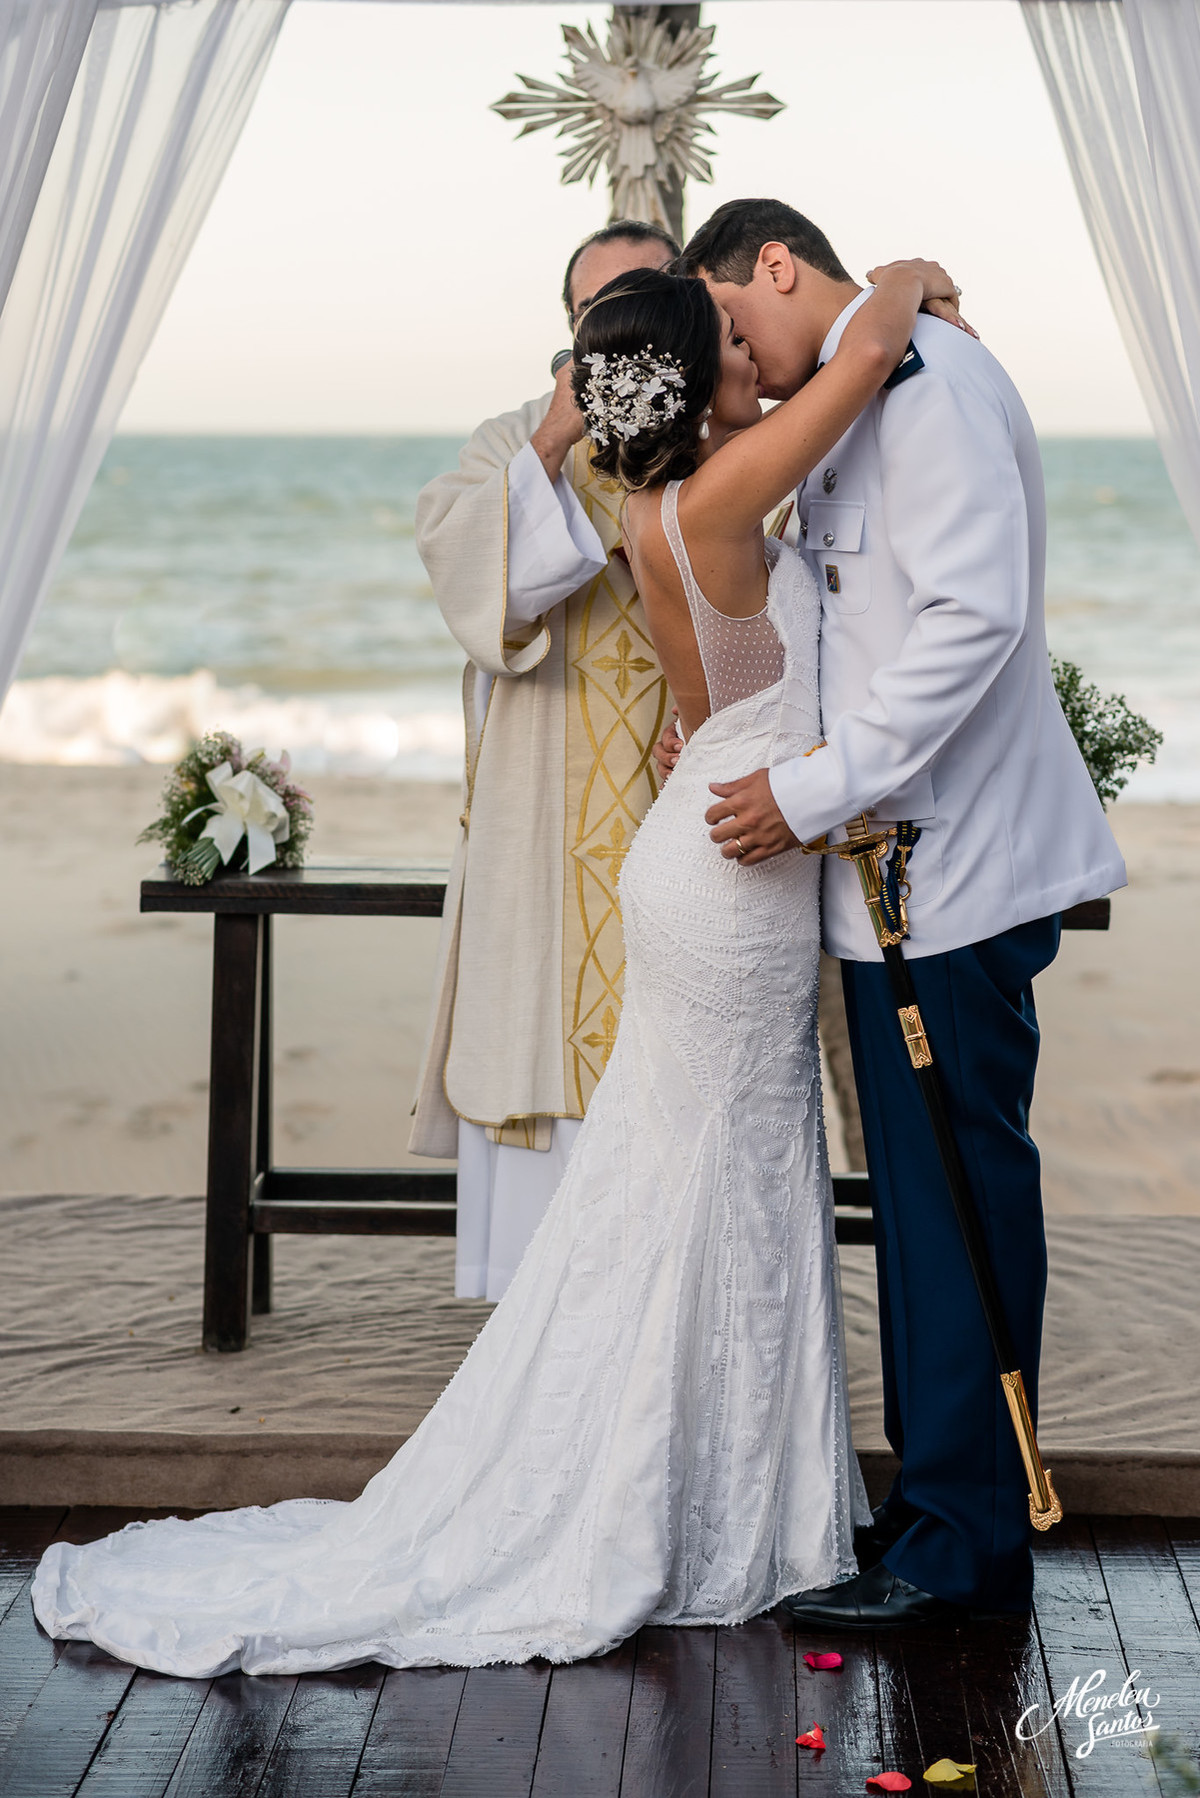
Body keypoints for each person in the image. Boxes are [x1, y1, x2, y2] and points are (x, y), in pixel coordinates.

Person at [32, 257, 955, 1676]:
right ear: (704, 366)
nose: (748, 345)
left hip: (709, 841)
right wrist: (910, 275)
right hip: (729, 874)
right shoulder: (716, 497)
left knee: (696, 1177)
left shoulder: (657, 506)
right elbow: (868, 347)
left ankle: (721, 1498)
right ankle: (723, 1510)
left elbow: (714, 701)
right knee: (718, 1170)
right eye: (725, 333)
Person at [669, 198, 1127, 1627]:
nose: (735, 356)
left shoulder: (932, 392)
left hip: (954, 871)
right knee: (923, 1206)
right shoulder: (868, 379)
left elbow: (971, 624)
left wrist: (815, 787)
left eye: (734, 323)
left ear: (780, 265)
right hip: (889, 880)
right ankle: (933, 1505)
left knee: (960, 1200)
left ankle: (967, 1540)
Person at [410, 220, 676, 1301]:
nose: (619, 333)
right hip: (542, 837)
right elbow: (483, 595)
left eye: (644, 302)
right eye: (595, 313)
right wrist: (556, 445)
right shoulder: (511, 441)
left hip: (684, 824)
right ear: (568, 332)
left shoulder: (730, 441)